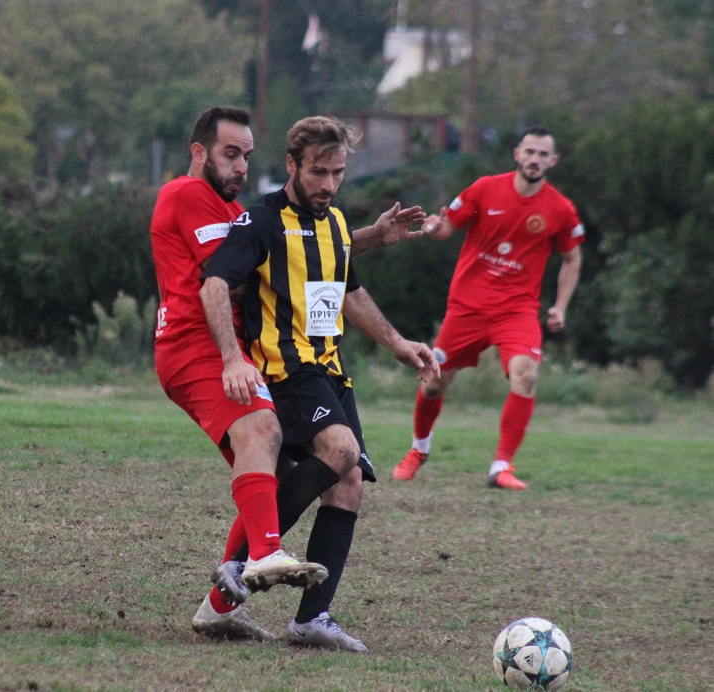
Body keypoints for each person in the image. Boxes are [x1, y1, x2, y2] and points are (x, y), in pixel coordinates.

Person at [151, 106, 427, 644]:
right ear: (293, 165)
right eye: (231, 153)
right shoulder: (208, 203)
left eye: (338, 173)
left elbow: (318, 261)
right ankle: (254, 557)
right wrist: (234, 357)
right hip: (254, 358)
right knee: (297, 441)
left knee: (339, 480)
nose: (240, 166)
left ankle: (291, 615)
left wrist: (373, 247)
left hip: (327, 368)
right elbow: (228, 272)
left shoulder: (299, 219)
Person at [391, 125, 584, 490]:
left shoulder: (560, 209)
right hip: (468, 307)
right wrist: (434, 226)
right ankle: (418, 450)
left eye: (543, 154)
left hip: (517, 310)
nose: (535, 159)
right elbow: (446, 228)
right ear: (517, 154)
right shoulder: (484, 188)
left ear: (553, 161)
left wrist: (560, 306)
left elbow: (572, 259)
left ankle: (501, 467)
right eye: (530, 152)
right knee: (433, 383)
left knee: (526, 375)